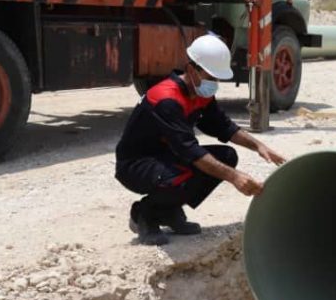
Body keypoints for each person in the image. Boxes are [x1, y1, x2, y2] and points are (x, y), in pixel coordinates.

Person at [115, 34, 286, 245]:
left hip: (166, 156)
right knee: (182, 174)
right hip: (135, 164)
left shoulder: (200, 94)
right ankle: (145, 213)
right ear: (191, 69)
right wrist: (235, 177)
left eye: (217, 79)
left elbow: (223, 126)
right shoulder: (167, 99)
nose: (213, 83)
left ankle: (168, 211)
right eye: (210, 77)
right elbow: (190, 151)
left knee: (226, 156)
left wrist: (259, 146)